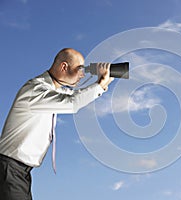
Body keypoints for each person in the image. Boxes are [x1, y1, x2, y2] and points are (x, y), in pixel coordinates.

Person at [0, 48, 114, 200]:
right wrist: (99, 86)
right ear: (64, 67)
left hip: (19, 172)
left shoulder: (51, 90)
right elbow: (72, 103)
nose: (82, 75)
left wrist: (102, 81)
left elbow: (74, 95)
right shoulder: (35, 89)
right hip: (9, 169)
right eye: (80, 69)